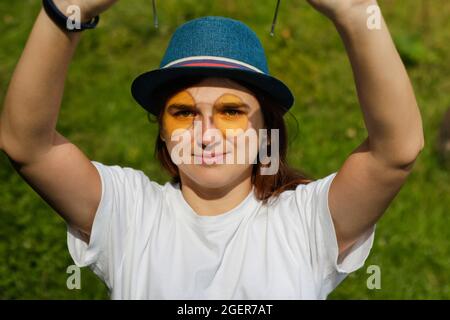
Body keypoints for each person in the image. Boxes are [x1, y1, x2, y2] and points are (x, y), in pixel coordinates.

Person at [0, 0, 424, 299]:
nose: (206, 135)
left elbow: (395, 152)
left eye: (231, 111)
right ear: (162, 131)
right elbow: (27, 147)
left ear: (265, 132)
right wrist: (67, 10)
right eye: (184, 113)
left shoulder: (306, 222)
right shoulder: (128, 213)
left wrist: (356, 11)